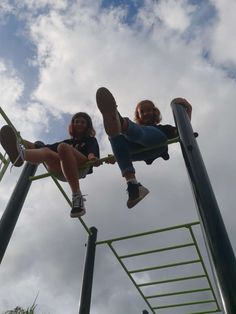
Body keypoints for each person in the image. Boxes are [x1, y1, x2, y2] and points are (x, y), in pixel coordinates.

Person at [96, 87, 192, 209]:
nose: (146, 113)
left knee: (137, 132)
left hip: (157, 144)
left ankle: (120, 122)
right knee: (115, 137)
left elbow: (184, 131)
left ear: (155, 112)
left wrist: (188, 109)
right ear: (138, 115)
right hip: (136, 151)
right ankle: (133, 185)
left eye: (149, 110)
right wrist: (117, 156)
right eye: (143, 111)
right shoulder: (134, 130)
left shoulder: (164, 128)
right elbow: (125, 150)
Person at [0, 112, 101, 218]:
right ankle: (20, 155)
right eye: (77, 122)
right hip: (61, 170)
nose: (79, 124)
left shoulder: (90, 140)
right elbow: (37, 147)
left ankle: (77, 196)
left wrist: (92, 158)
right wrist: (19, 140)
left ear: (87, 126)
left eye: (83, 122)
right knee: (46, 151)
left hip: (80, 167)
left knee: (63, 147)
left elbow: (91, 152)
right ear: (73, 125)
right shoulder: (68, 141)